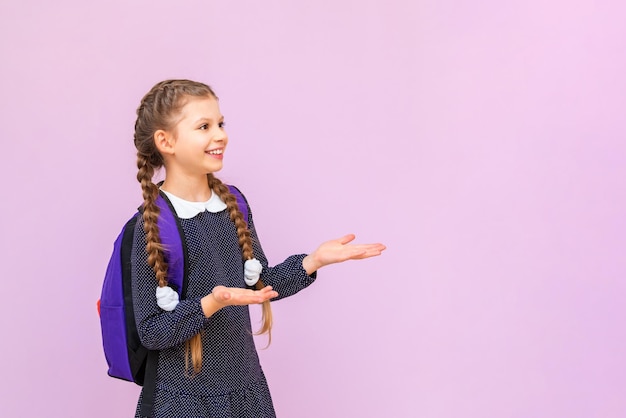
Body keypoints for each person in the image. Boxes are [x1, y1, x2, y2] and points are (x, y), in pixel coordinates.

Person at [130, 79, 386, 418]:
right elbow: (152, 331)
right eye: (204, 126)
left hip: (247, 392)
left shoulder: (233, 204)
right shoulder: (152, 224)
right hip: (183, 401)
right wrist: (212, 302)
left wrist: (312, 261)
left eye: (221, 123)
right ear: (166, 141)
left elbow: (259, 283)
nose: (220, 134)